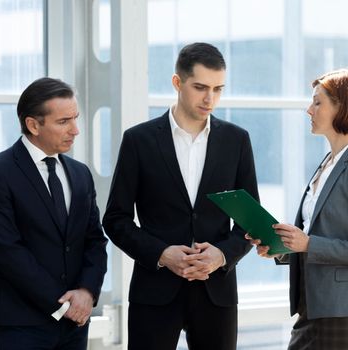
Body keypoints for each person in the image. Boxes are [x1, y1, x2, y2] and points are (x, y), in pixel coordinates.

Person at [103, 42, 257, 349]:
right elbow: (115, 219)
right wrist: (162, 255)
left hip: (217, 291)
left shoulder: (236, 140)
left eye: (218, 88)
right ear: (177, 82)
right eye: (200, 87)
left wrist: (222, 255)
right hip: (155, 291)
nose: (209, 98)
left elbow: (249, 222)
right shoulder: (138, 140)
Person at [247, 69, 348, 349]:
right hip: (314, 307)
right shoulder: (327, 164)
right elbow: (320, 239)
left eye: (317, 102)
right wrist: (282, 246)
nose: (308, 109)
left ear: (342, 106)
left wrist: (308, 243)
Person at [0, 77, 109, 349]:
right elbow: (6, 250)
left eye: (75, 118)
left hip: (76, 321)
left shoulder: (80, 174)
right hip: (21, 323)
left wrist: (86, 292)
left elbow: (95, 240)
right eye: (64, 122)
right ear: (33, 125)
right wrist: (62, 305)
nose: (75, 130)